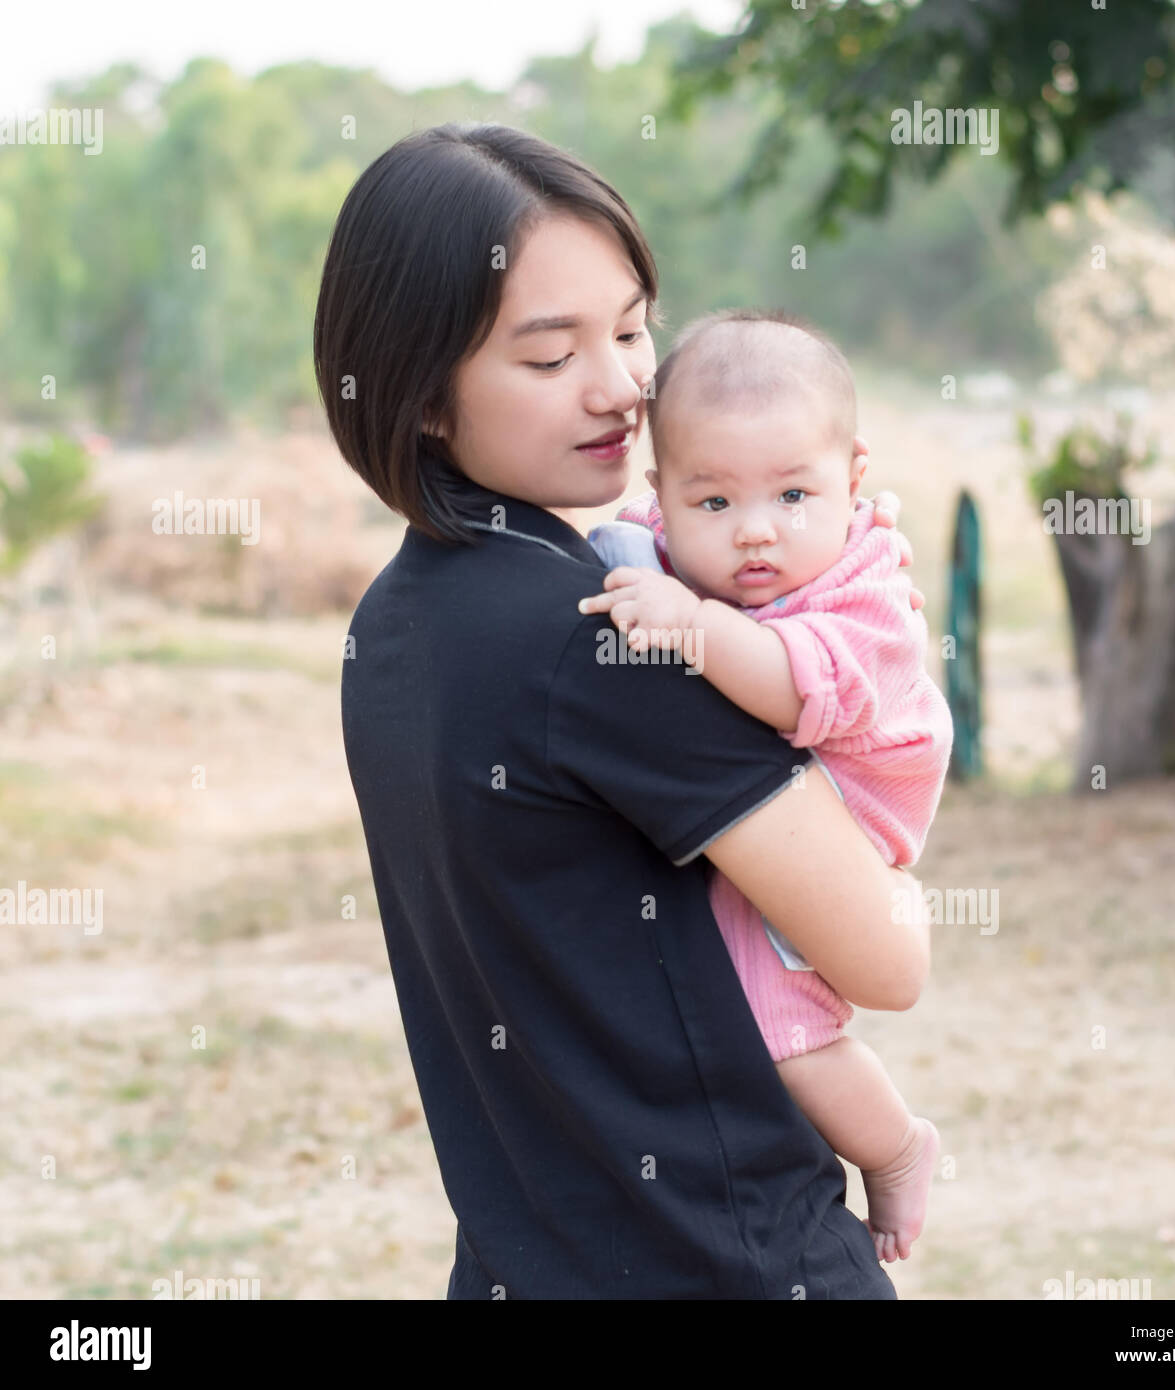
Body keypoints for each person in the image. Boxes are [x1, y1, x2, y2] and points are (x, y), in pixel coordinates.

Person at [315, 121, 931, 1299]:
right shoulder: (607, 631)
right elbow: (884, 957)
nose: (620, 387)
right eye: (549, 358)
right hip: (722, 1256)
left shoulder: (392, 621)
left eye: (634, 329)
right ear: (422, 395)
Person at [583, 308, 953, 1263]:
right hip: (785, 789)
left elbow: (794, 685)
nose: (755, 535)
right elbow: (626, 559)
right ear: (661, 496)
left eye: (794, 494)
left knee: (779, 1024)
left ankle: (896, 1146)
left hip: (855, 794)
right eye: (714, 505)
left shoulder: (866, 590)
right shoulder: (674, 544)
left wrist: (692, 626)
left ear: (853, 480)